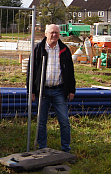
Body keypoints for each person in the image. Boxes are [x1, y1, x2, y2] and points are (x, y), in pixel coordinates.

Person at [27, 24, 76, 152]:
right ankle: (42, 148)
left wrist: (71, 90)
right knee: (41, 122)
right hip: (42, 91)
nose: (54, 35)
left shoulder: (64, 49)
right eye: (52, 32)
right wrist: (31, 91)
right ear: (46, 33)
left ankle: (66, 149)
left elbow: (70, 72)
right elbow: (30, 71)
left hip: (59, 90)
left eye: (56, 33)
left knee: (64, 121)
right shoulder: (38, 49)